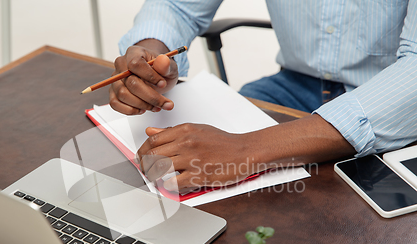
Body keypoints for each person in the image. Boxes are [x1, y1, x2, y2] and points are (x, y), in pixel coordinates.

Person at [109, 0, 417, 193]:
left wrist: (244, 149)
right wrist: (152, 52)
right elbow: (178, 6)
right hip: (291, 84)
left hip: (390, 97)